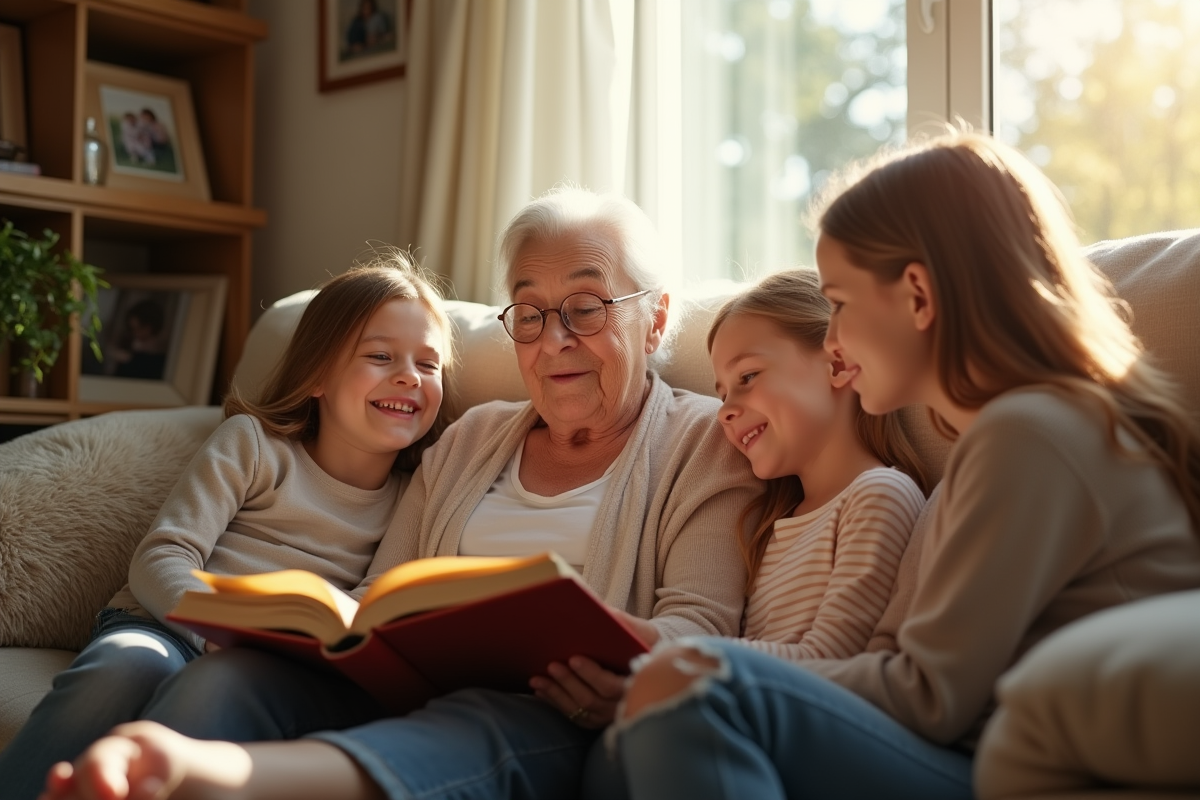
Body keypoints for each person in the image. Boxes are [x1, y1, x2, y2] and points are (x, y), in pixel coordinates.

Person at [37, 187, 762, 800]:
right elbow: (384, 589)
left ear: (657, 318)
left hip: (544, 717)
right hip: (398, 692)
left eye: (585, 306)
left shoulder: (704, 442)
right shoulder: (473, 435)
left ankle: (212, 773)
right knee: (223, 682)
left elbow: (698, 626)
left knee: (482, 718)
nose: (552, 340)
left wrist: (629, 679)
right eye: (531, 312)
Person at [605, 130, 1200, 799]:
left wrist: (695, 664)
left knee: (691, 693)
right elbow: (889, 661)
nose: (832, 340)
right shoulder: (989, 449)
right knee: (631, 735)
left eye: (838, 304)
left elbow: (927, 695)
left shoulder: (1031, 434)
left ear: (917, 295)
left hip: (982, 764)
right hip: (951, 750)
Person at [1, 253, 453, 800]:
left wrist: (268, 647)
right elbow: (162, 557)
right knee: (121, 669)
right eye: (380, 355)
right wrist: (217, 631)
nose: (408, 375)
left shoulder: (415, 492)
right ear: (317, 375)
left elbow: (366, 606)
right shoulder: (254, 445)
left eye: (428, 365)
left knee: (210, 691)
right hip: (165, 623)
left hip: (273, 664)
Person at [703, 269, 927, 666]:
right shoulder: (772, 526)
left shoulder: (879, 495)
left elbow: (830, 660)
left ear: (839, 363)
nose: (724, 411)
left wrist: (684, 655)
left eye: (747, 377)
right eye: (721, 394)